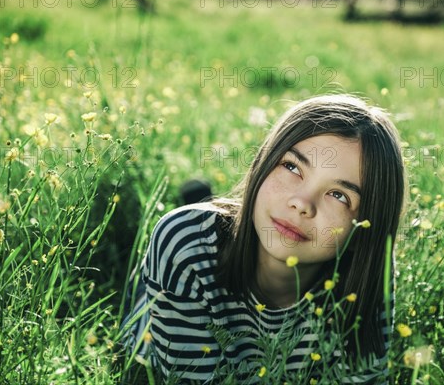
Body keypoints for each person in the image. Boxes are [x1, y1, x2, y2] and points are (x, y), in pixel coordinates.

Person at [121, 94, 407, 383]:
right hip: (174, 295)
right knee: (187, 234)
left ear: (364, 231)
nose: (302, 203)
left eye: (338, 195)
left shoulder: (370, 271)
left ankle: (206, 195)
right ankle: (201, 202)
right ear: (263, 163)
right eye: (293, 167)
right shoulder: (185, 244)